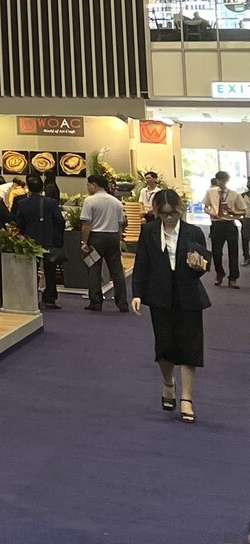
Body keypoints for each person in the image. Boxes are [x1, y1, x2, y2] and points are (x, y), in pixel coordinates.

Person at [131, 186, 211, 424]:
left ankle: (187, 399)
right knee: (164, 345)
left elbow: (206, 264)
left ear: (180, 210)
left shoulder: (193, 231)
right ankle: (168, 383)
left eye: (173, 213)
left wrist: (199, 264)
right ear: (156, 211)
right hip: (159, 295)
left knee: (190, 347)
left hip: (189, 295)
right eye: (164, 213)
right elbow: (141, 263)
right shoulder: (149, 232)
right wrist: (137, 294)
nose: (168, 217)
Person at [12, 174, 66, 309]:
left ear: (28, 188)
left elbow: (19, 223)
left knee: (30, 269)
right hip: (47, 239)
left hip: (29, 240)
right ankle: (50, 298)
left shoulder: (22, 203)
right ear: (42, 188)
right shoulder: (51, 202)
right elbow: (59, 221)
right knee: (50, 270)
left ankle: (31, 296)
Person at [80, 171, 130, 312]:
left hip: (96, 237)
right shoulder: (116, 202)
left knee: (94, 269)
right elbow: (121, 224)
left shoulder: (89, 201)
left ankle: (96, 302)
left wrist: (84, 242)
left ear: (94, 185)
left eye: (88, 185)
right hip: (113, 236)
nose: (87, 188)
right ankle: (122, 303)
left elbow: (86, 223)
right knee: (117, 270)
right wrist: (119, 240)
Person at [205, 174, 241, 288]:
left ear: (227, 181)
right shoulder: (211, 192)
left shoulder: (234, 194)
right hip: (216, 224)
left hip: (230, 224)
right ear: (217, 180)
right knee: (216, 252)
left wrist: (234, 213)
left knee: (233, 252)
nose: (222, 182)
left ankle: (233, 278)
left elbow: (243, 211)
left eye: (224, 180)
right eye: (220, 180)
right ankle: (219, 273)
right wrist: (210, 212)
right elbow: (205, 206)